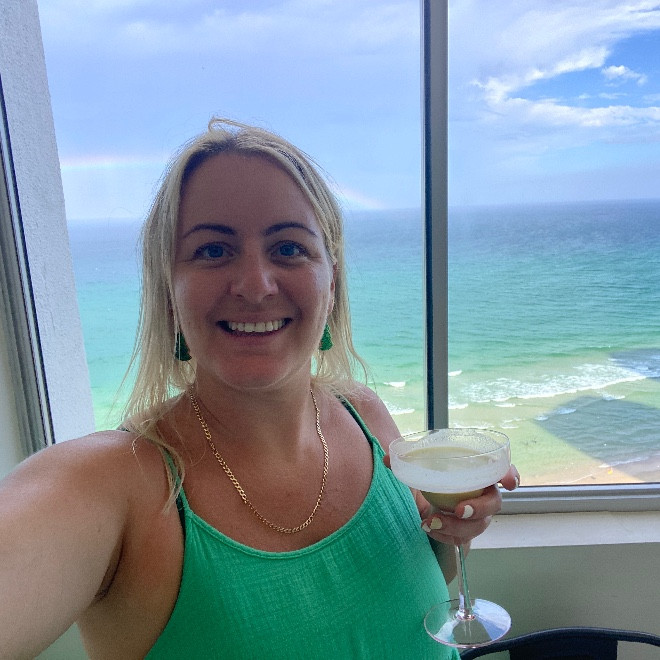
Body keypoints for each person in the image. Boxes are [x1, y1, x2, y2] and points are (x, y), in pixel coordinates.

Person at [0, 118, 519, 659]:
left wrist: (451, 530)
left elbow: (423, 582)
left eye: (289, 248)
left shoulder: (364, 413)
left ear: (332, 281)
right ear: (168, 288)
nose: (254, 285)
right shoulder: (116, 484)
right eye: (212, 250)